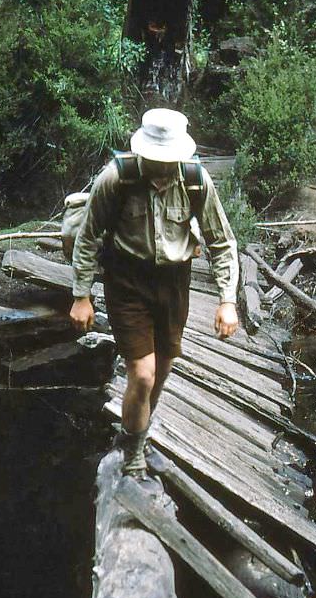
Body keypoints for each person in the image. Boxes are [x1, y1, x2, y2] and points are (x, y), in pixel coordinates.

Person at [69, 108, 240, 478]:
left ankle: (136, 435)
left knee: (160, 373)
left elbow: (222, 242)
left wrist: (227, 300)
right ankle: (132, 456)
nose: (161, 166)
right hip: (126, 279)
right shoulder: (117, 178)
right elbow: (87, 237)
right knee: (142, 374)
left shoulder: (196, 179)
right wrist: (81, 294)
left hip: (175, 283)